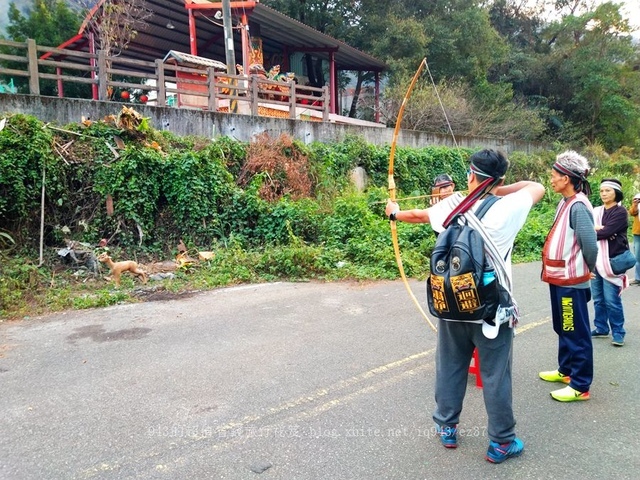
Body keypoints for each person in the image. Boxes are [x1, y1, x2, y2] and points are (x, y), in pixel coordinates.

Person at [386, 149, 545, 464]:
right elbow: (535, 186)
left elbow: (416, 215)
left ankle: (447, 427)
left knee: (450, 366)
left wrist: (393, 212)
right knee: (496, 374)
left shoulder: (451, 205)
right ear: (498, 179)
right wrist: (498, 187)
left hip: (452, 303)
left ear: (472, 175)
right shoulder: (508, 206)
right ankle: (501, 442)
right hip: (490, 311)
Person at [539, 150, 597, 402]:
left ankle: (581, 384)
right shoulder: (564, 202)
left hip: (572, 280)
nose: (551, 180)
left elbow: (590, 245)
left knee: (575, 330)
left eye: (554, 176)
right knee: (563, 326)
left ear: (567, 178)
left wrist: (589, 269)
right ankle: (566, 370)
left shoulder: (578, 205)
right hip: (558, 277)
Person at [591, 179, 630, 346]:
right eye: (601, 191)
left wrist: (600, 230)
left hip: (612, 262)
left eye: (608, 190)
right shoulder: (596, 211)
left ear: (616, 193)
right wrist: (599, 229)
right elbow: (585, 230)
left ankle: (618, 332)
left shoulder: (620, 212)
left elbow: (606, 232)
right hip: (596, 260)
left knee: (611, 299)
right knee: (598, 298)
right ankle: (601, 327)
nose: (604, 194)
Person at [629, 193, 640, 285]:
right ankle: (638, 278)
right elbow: (632, 212)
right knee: (638, 256)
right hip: (638, 232)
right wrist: (635, 204)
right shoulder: (637, 196)